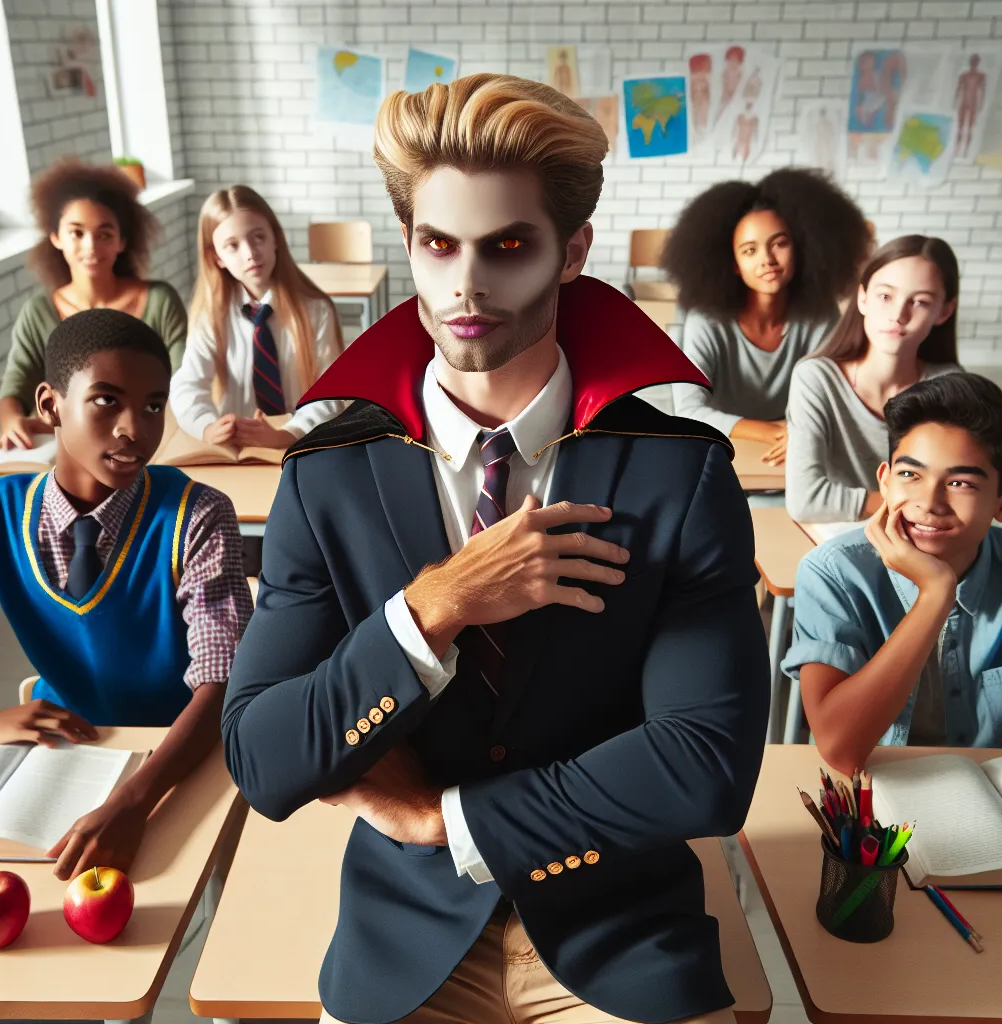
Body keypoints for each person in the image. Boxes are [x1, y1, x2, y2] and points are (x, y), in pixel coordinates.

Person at [222, 74, 770, 1024]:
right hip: (406, 932)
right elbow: (263, 755)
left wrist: (449, 820)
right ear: (409, 247)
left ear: (573, 253)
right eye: (438, 245)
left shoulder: (680, 476)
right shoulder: (330, 474)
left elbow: (708, 766)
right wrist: (432, 607)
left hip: (618, 921)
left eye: (508, 246)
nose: (466, 283)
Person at [0, 309, 252, 880]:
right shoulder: (2, 511)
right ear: (49, 405)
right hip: (63, 752)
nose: (134, 428)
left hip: (182, 754)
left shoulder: (198, 514)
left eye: (154, 405)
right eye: (107, 400)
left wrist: (135, 803)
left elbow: (225, 681)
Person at [782, 373, 1002, 775]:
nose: (929, 503)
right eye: (910, 475)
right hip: (872, 799)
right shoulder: (834, 572)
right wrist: (934, 596)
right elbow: (841, 749)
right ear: (885, 481)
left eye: (960, 482)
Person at [664, 168, 871, 467]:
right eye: (749, 250)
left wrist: (803, 432)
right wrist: (774, 431)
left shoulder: (820, 316)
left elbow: (834, 398)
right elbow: (687, 411)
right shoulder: (705, 321)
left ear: (802, 248)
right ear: (732, 262)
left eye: (780, 244)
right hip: (723, 449)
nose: (767, 260)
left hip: (795, 454)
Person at [0, 159, 187, 451]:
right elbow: (14, 391)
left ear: (122, 241)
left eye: (104, 234)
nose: (91, 247)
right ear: (55, 237)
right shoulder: (38, 313)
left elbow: (184, 382)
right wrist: (12, 421)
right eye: (77, 233)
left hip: (153, 448)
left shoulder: (160, 301)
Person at [785, 235, 962, 523]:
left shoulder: (952, 385)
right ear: (863, 299)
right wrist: (908, 504)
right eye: (885, 296)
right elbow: (805, 501)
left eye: (920, 302)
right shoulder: (815, 378)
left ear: (944, 311)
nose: (898, 315)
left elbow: (960, 498)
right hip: (834, 538)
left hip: (922, 537)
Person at [169, 186, 344, 450]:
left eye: (258, 237)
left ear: (276, 238)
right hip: (237, 451)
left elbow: (331, 395)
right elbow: (188, 385)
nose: (250, 252)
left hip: (299, 445)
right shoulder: (211, 316)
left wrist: (287, 434)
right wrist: (207, 427)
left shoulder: (316, 310)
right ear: (217, 258)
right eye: (232, 246)